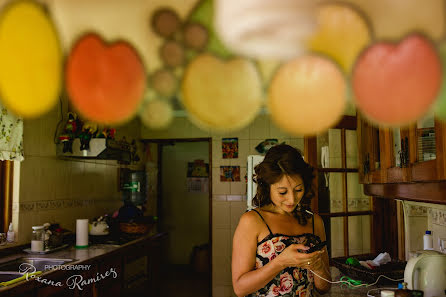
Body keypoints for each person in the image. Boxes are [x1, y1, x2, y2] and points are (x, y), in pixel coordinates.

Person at [232, 144, 331, 296]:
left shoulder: (315, 222)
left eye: (298, 190)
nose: (292, 199)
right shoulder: (252, 221)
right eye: (282, 192)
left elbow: (324, 288)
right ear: (267, 186)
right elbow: (240, 288)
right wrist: (281, 262)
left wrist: (318, 268)